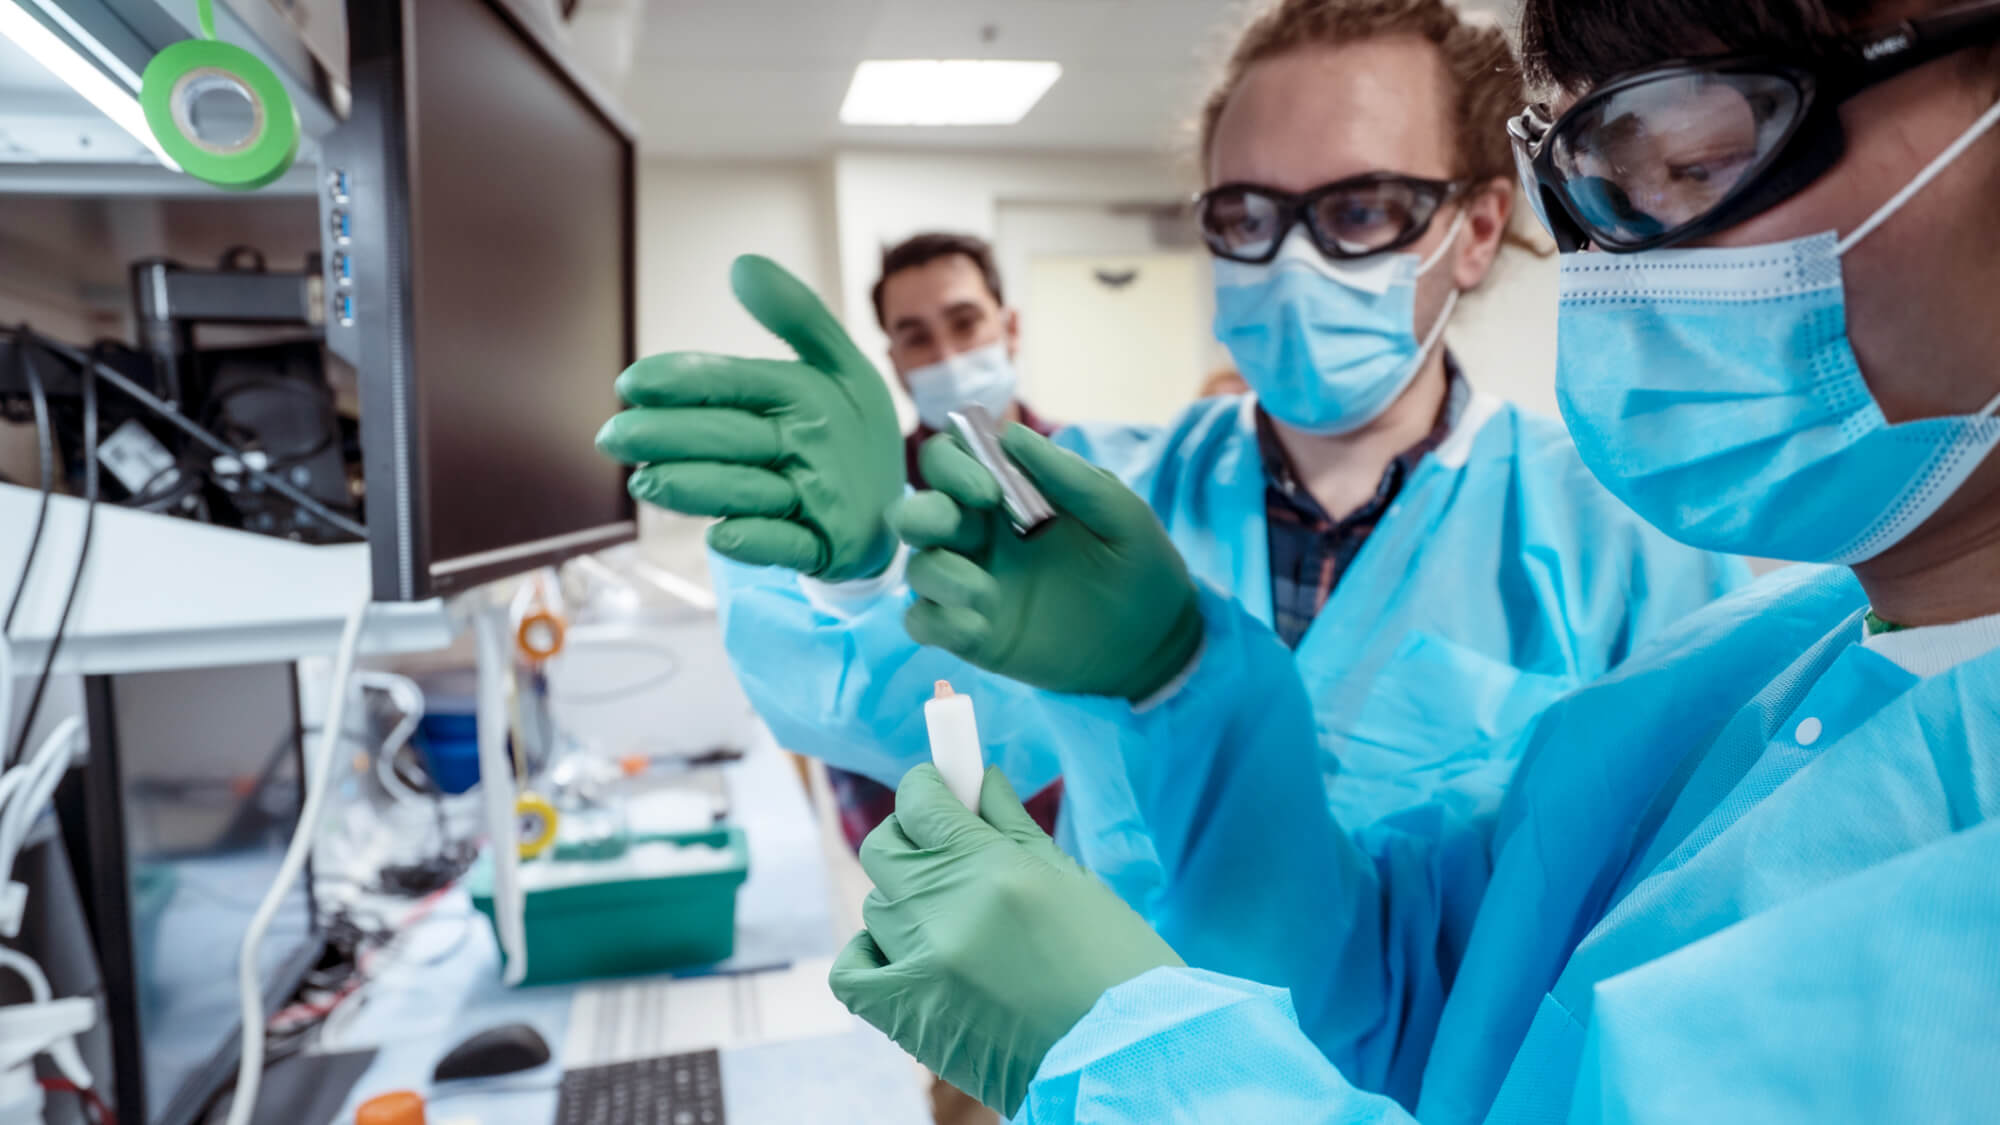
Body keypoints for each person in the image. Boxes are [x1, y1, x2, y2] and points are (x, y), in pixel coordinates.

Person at [824, 0, 2000, 1120]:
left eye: (1698, 157)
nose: (1634, 259)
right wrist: (1172, 677)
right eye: (1597, 179)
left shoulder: (1620, 547)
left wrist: (1127, 1050)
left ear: (1475, 228)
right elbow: (1412, 989)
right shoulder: (1749, 673)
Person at [595, 0, 1746, 867]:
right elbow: (899, 716)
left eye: (1356, 212)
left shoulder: (1623, 542)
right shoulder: (1099, 495)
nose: (1289, 262)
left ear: (1478, 224)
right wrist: (854, 580)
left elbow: (1679, 908)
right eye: (1243, 216)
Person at [825, 233, 1065, 856]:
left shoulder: (1089, 470)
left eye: (965, 323)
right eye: (917, 337)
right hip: (931, 849)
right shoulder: (869, 503)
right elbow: (840, 698)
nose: (949, 355)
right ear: (895, 361)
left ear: (1010, 327)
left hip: (1097, 839)